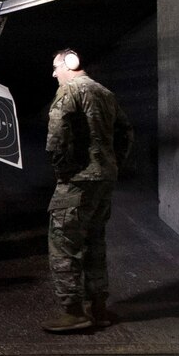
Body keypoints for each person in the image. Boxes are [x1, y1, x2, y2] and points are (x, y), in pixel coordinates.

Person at [43, 48, 134, 333]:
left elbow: (57, 134)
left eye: (56, 68)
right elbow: (126, 132)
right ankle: (99, 308)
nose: (54, 74)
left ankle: (73, 311)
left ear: (68, 66)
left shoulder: (70, 91)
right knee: (95, 242)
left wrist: (62, 168)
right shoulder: (105, 93)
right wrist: (112, 163)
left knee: (63, 244)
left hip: (78, 181)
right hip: (104, 180)